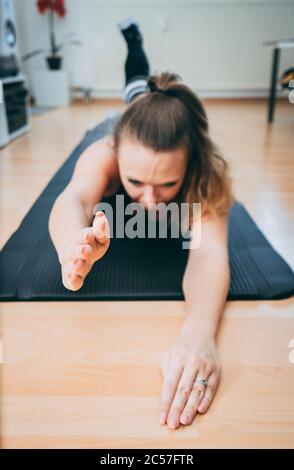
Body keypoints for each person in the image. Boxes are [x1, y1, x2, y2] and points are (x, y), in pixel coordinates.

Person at [48, 16, 235, 430]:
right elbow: (73, 198)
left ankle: (135, 41)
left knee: (142, 86)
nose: (149, 201)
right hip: (133, 107)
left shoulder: (206, 171)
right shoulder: (107, 150)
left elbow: (210, 249)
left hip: (163, 118)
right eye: (135, 182)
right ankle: (133, 38)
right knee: (136, 82)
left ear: (189, 166)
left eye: (167, 183)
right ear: (119, 157)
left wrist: (199, 332)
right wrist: (71, 247)